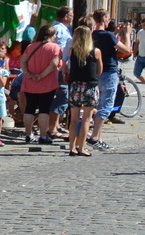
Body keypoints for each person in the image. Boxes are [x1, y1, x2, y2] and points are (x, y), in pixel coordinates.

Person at [21, 27, 64, 146]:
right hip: (47, 83)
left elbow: (23, 61)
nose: (55, 37)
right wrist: (41, 76)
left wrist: (28, 73)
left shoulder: (30, 46)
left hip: (30, 82)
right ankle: (43, 136)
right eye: (54, 35)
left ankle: (28, 134)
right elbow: (54, 64)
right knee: (44, 110)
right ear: (51, 35)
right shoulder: (55, 47)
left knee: (30, 108)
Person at [64, 24, 102, 157]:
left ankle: (72, 148)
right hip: (90, 87)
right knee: (86, 119)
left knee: (74, 119)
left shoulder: (72, 51)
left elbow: (69, 67)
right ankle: (82, 147)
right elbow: (99, 70)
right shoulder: (96, 51)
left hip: (75, 86)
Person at [87, 9, 123, 149]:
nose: (109, 21)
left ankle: (99, 139)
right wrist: (126, 35)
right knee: (106, 105)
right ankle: (94, 137)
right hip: (109, 71)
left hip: (94, 72)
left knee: (97, 104)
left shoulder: (91, 34)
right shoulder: (108, 35)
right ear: (103, 19)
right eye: (108, 18)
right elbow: (126, 50)